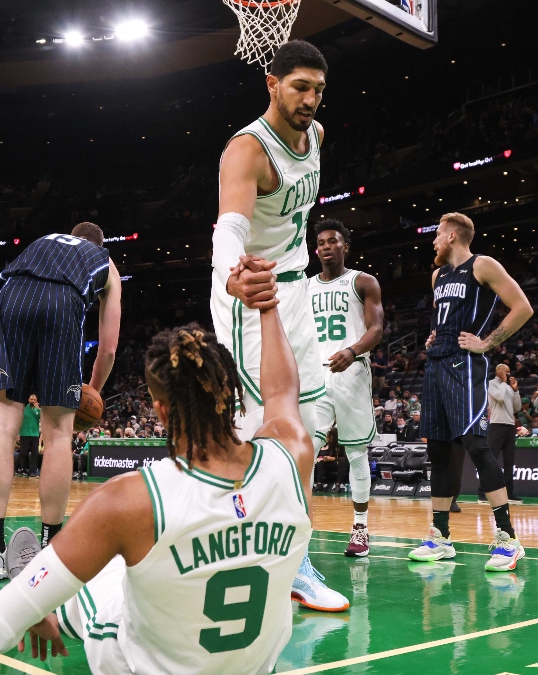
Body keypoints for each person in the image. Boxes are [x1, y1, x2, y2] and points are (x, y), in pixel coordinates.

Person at [0, 259, 315, 675]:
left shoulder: (128, 501)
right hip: (254, 666)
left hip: (138, 664)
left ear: (160, 411)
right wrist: (267, 304)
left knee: (113, 573)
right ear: (235, 393)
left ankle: (49, 600)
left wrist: (26, 613)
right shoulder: (293, 456)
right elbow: (281, 390)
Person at [210, 39, 346, 612]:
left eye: (318, 89)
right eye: (300, 87)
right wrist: (231, 275)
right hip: (251, 296)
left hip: (296, 299)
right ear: (272, 82)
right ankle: (239, 544)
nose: (310, 99)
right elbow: (230, 228)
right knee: (264, 429)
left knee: (309, 430)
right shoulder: (247, 149)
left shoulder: (314, 137)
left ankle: (292, 556)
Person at [0, 223, 122, 580]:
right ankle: (50, 549)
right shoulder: (104, 261)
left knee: (2, 426)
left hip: (12, 293)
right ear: (98, 245)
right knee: (58, 433)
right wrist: (93, 389)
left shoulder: (42, 242)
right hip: (63, 300)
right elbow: (109, 348)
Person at [408, 212, 533, 572]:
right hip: (435, 363)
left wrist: (485, 344)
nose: (433, 241)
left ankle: (508, 538)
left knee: (476, 445)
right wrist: (434, 335)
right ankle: (440, 537)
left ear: (451, 236)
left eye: (437, 234)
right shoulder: (438, 275)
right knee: (440, 452)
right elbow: (442, 319)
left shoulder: (483, 265)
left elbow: (522, 307)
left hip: (465, 364)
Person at [307, 219, 384, 556]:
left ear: (345, 246)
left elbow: (376, 329)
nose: (326, 246)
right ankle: (300, 527)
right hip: (314, 374)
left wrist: (352, 351)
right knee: (305, 452)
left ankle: (360, 528)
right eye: (321, 242)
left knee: (355, 453)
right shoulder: (304, 287)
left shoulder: (362, 281)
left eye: (332, 241)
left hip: (351, 370)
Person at [484, 364, 520, 504]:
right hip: (497, 424)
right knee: (491, 459)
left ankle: (509, 493)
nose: (508, 374)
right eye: (506, 371)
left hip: (510, 425)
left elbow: (516, 407)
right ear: (498, 372)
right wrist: (505, 383)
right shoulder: (491, 384)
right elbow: (499, 397)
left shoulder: (508, 387)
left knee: (509, 461)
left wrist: (515, 390)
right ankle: (483, 492)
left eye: (509, 371)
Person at [17, 395, 41, 477]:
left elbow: (42, 418)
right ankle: (14, 467)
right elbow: (18, 421)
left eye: (34, 399)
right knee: (23, 452)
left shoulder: (38, 410)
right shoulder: (23, 409)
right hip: (24, 433)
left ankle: (32, 471)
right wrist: (18, 433)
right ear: (28, 400)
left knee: (34, 453)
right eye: (31, 399)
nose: (33, 400)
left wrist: (38, 408)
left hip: (35, 434)